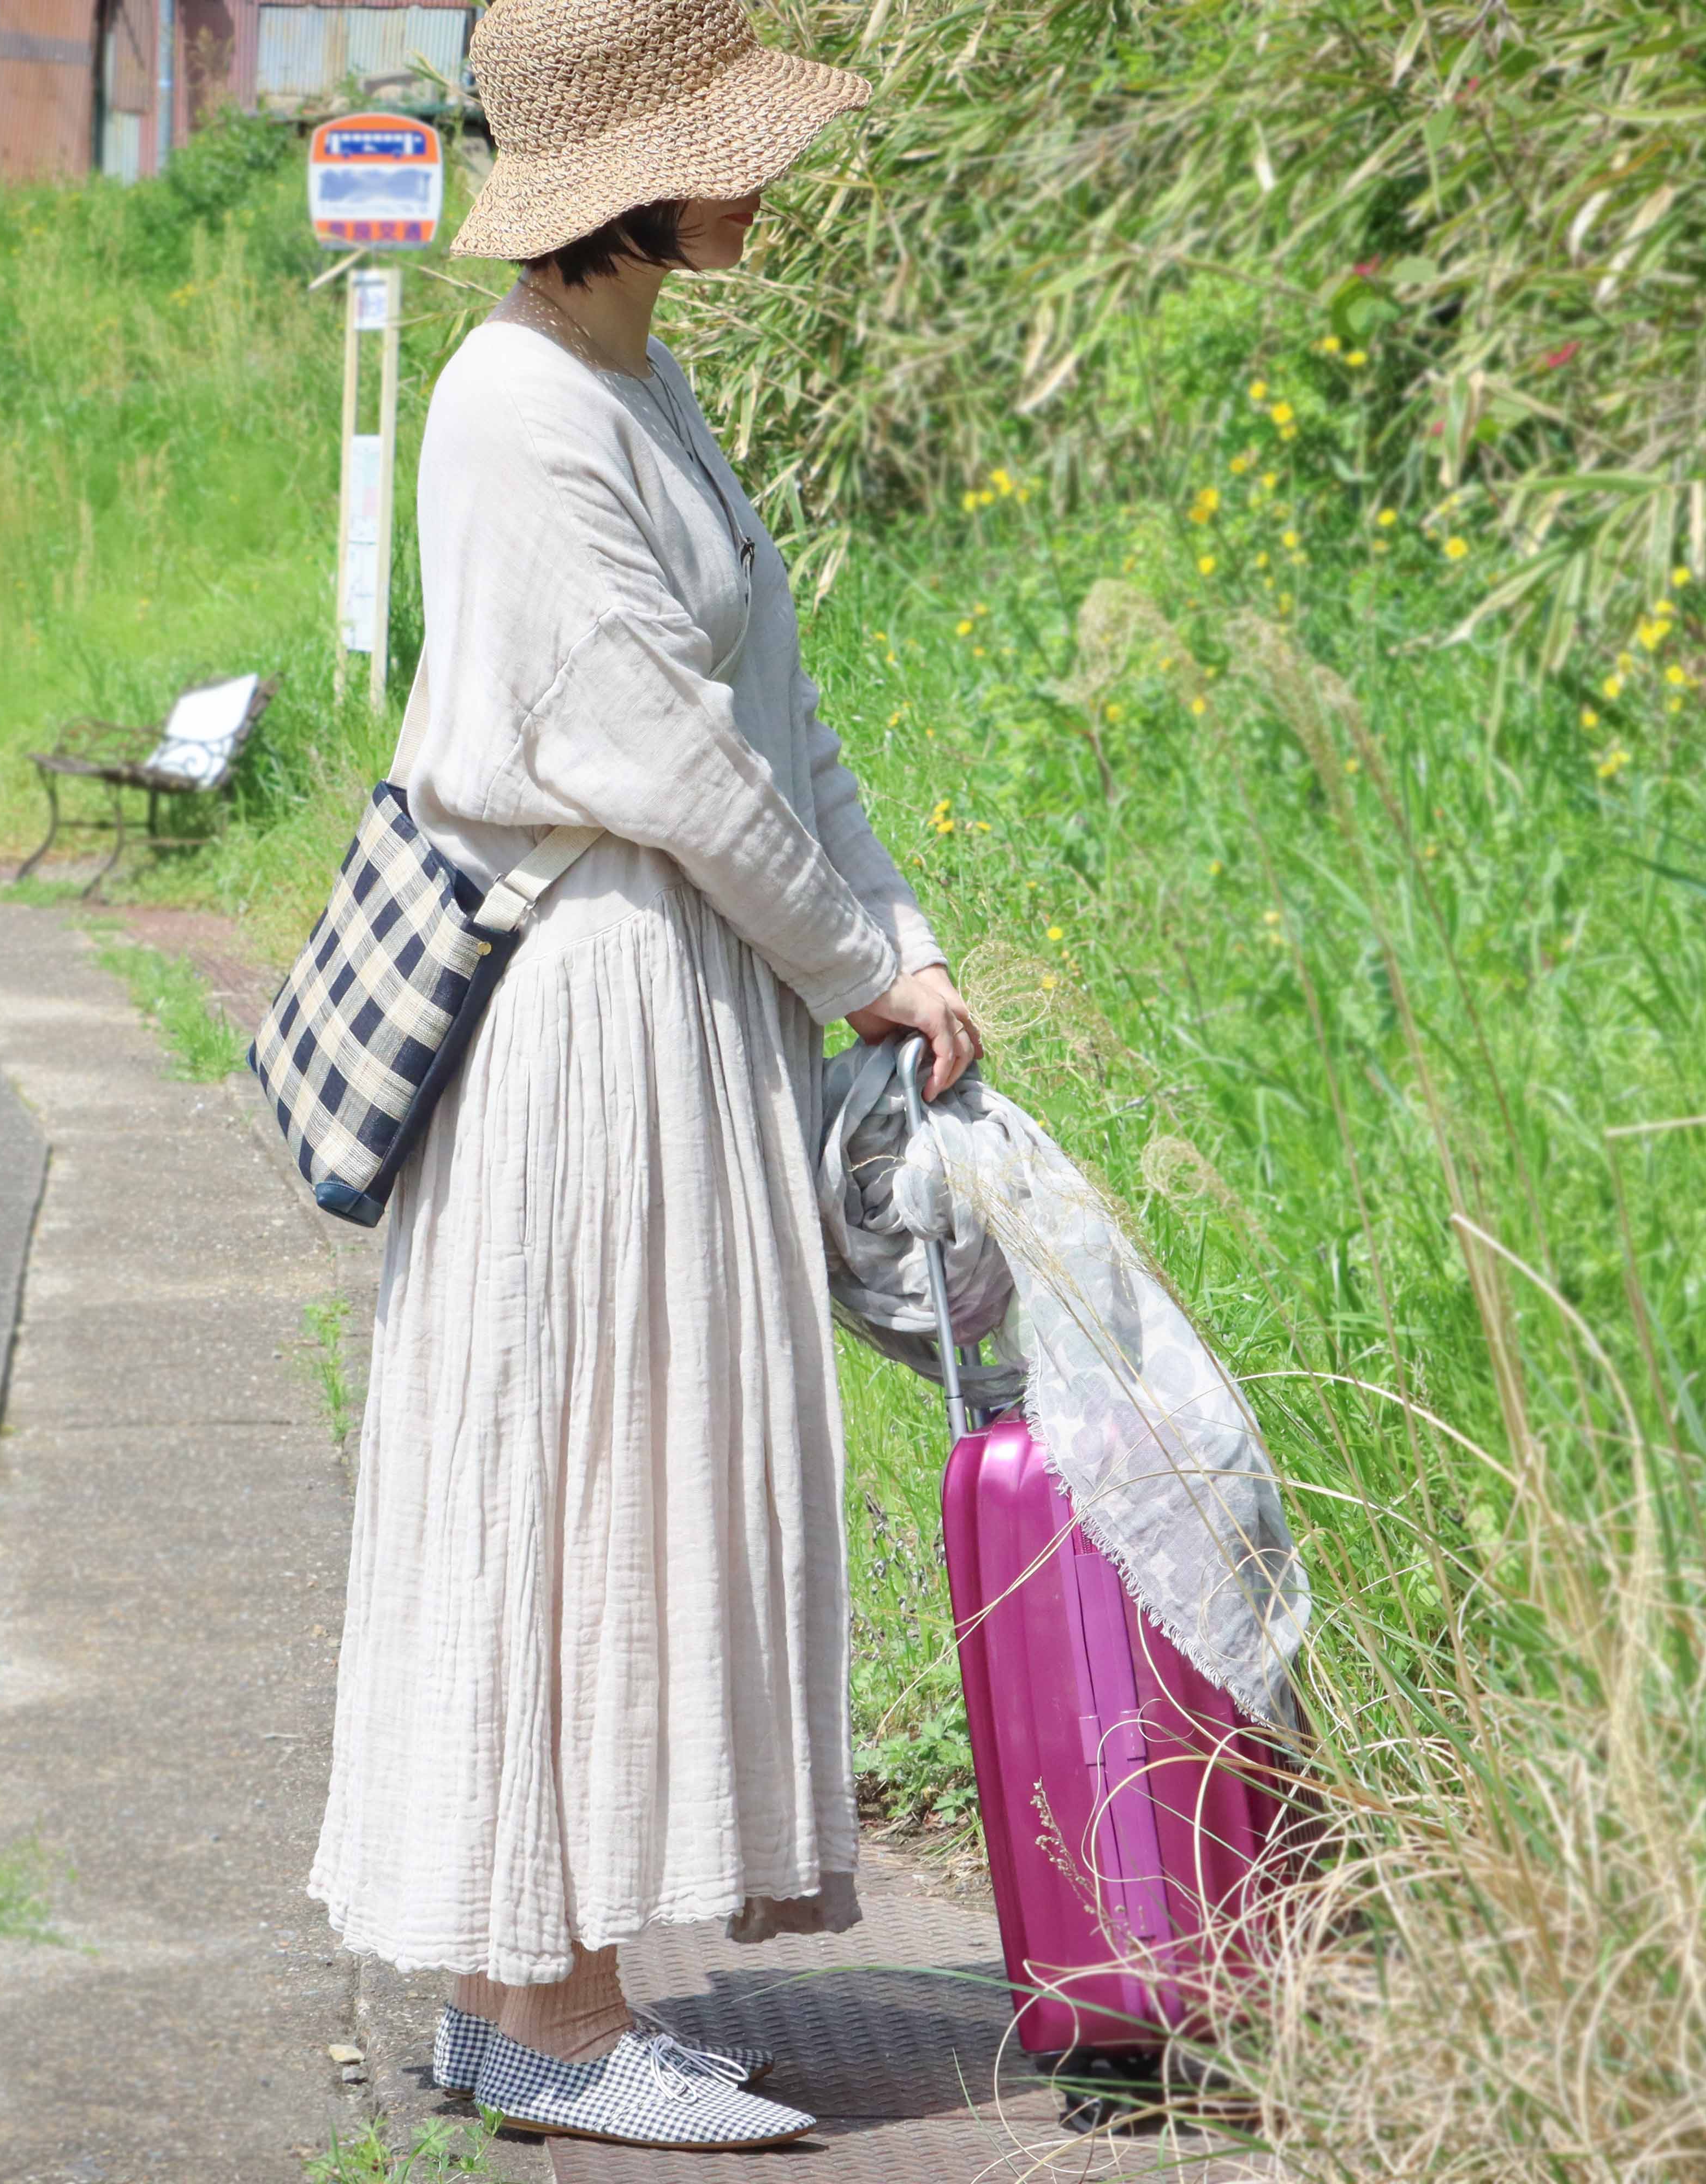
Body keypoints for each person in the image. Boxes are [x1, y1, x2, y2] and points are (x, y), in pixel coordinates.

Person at [301, 0, 981, 2154]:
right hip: (591, 1011)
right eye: (727, 137)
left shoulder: (634, 378)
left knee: (614, 1467)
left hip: (681, 994)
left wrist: (902, 929)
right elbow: (655, 752)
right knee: (574, 1472)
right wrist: (860, 960)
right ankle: (554, 2015)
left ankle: (544, 2002)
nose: (762, 169)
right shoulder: (521, 408)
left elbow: (771, 707)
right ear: (629, 176)